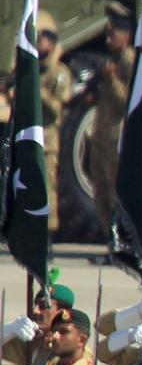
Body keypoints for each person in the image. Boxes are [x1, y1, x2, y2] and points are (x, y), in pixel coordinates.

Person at [85, 8, 134, 234]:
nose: (108, 40)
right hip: (101, 135)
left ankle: (122, 239)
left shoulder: (129, 61)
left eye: (113, 35)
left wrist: (112, 79)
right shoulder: (110, 61)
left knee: (116, 192)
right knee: (101, 192)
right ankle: (110, 238)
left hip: (118, 136)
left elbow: (128, 103)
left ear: (126, 36)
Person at [37, 29, 69, 236]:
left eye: (42, 41)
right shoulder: (35, 70)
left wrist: (39, 92)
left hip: (48, 138)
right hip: (31, 137)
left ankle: (49, 229)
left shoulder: (59, 73)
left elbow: (58, 107)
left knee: (48, 186)